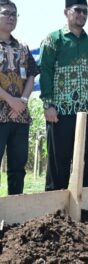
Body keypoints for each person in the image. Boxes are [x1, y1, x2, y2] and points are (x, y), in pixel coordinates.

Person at [39, 0, 88, 191]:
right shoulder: (54, 39)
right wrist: (48, 104)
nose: (82, 15)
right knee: (58, 162)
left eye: (86, 12)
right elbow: (46, 71)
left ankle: (82, 205)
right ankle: (54, 210)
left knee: (87, 161)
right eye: (78, 11)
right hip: (61, 111)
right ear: (66, 11)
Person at [0, 0, 39, 195]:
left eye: (14, 14)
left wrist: (22, 102)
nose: (11, 17)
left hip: (20, 117)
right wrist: (10, 100)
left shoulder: (22, 46)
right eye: (6, 13)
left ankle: (16, 214)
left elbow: (32, 74)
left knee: (18, 167)